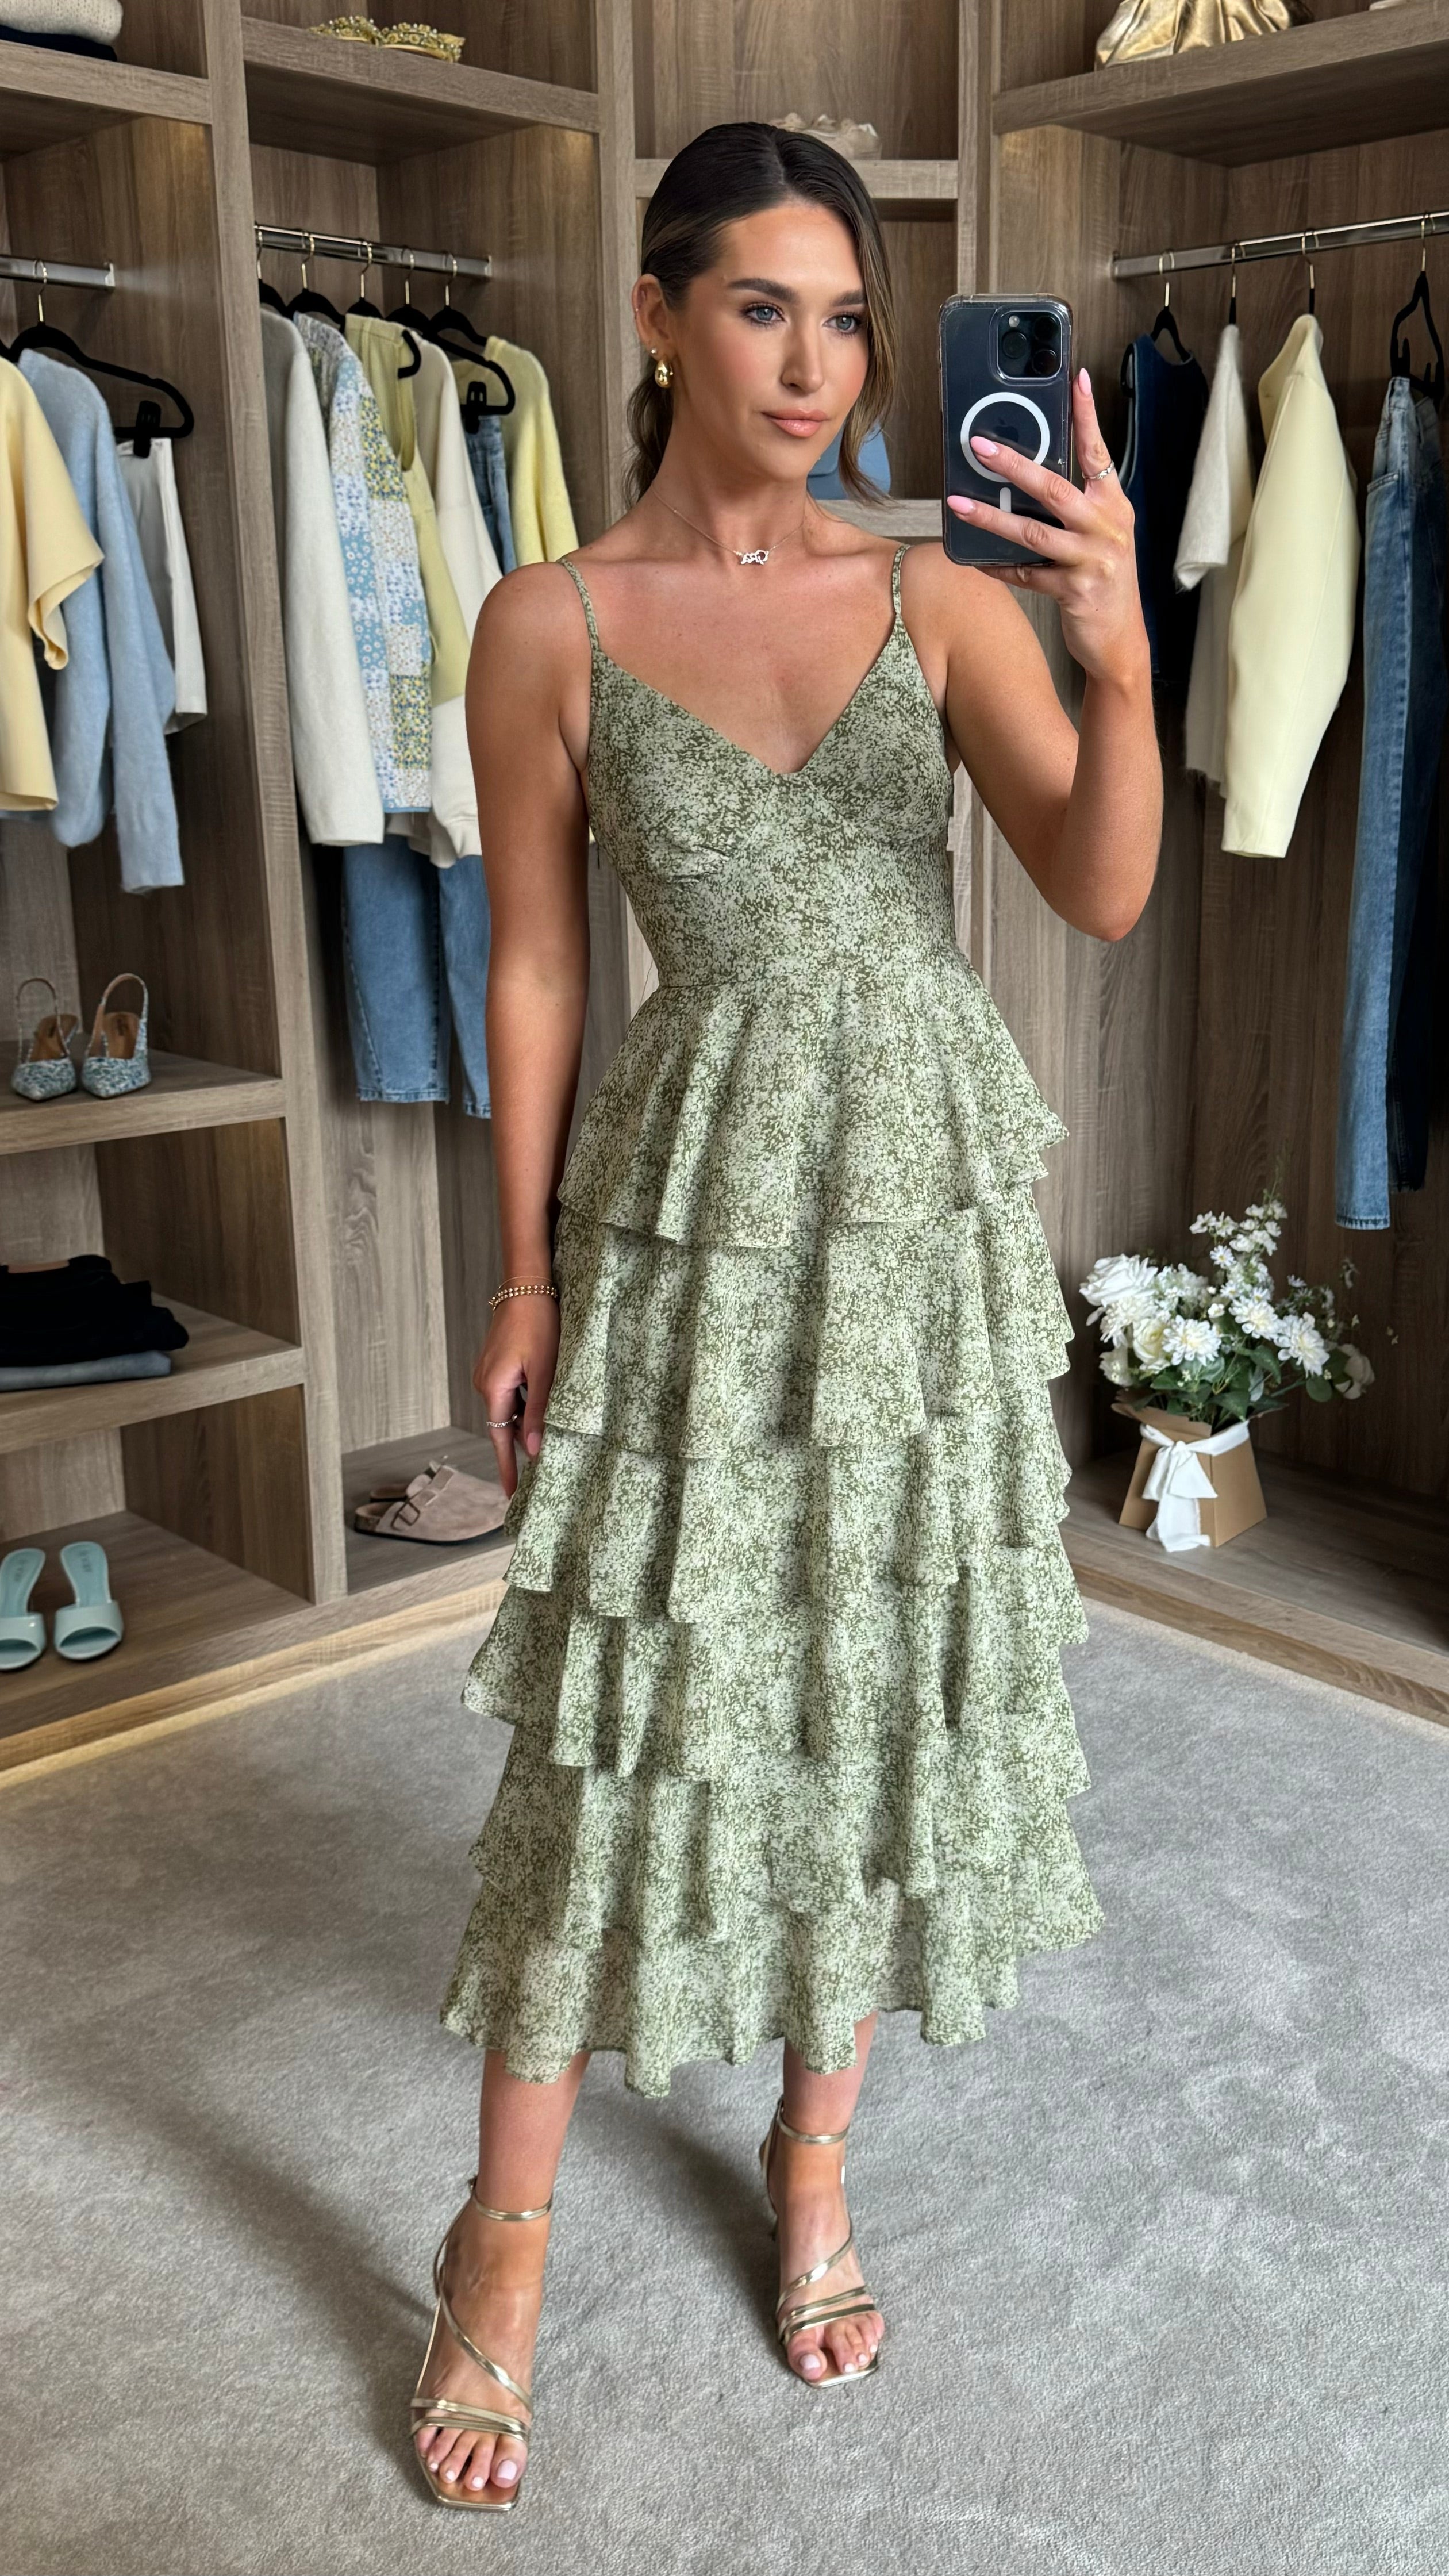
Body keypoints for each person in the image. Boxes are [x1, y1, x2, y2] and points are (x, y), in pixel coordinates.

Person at [409, 120, 1160, 2510]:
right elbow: (538, 963)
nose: (816, 363)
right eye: (763, 306)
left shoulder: (938, 592)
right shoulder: (546, 621)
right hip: (692, 1208)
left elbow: (1101, 882)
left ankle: (813, 2159)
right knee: (622, 1704)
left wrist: (1118, 655)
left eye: (847, 318)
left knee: (865, 1670)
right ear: (656, 316)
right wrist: (521, 1264)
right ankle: (502, 2234)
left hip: (914, 1211)